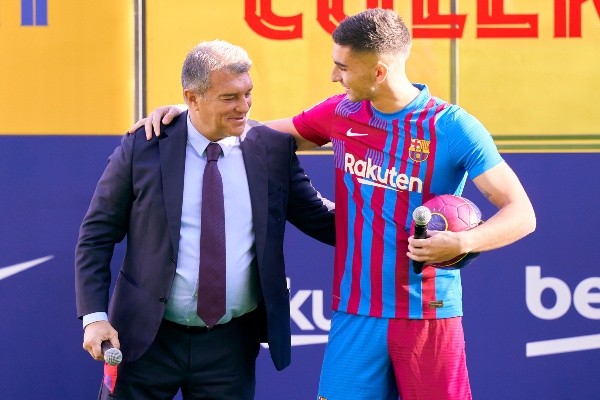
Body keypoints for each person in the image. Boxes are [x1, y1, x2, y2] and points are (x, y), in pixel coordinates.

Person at [131, 8, 536, 400]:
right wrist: (190, 114)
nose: (333, 75)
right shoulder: (340, 112)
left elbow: (521, 213)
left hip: (428, 313)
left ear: (378, 72)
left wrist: (464, 243)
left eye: (343, 67)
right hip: (355, 313)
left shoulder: (452, 127)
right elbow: (255, 137)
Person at [75, 40, 335, 400]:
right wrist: (94, 317)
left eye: (248, 93)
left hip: (230, 346)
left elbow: (324, 220)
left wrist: (399, 225)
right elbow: (97, 234)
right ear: (192, 98)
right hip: (144, 338)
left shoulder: (272, 150)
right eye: (229, 97)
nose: (243, 106)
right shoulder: (145, 145)